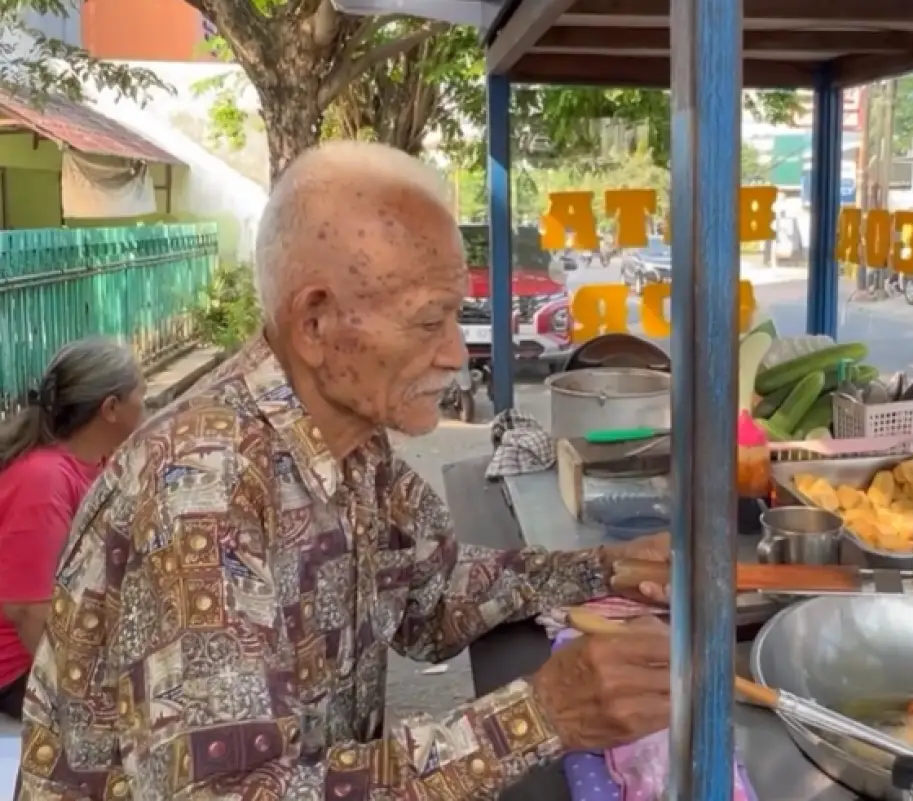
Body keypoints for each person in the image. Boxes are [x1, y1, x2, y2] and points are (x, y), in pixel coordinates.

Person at [19, 141, 674, 801]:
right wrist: (540, 715)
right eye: (428, 320)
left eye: (456, 314)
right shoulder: (203, 492)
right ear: (315, 323)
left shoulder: (353, 445)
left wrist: (605, 569)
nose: (454, 353)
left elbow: (430, 594)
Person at [0, 338, 145, 720]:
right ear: (111, 408)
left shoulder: (94, 463)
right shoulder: (41, 480)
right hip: (19, 670)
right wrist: (78, 704)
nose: (146, 408)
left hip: (70, 642)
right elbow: (26, 611)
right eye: (140, 395)